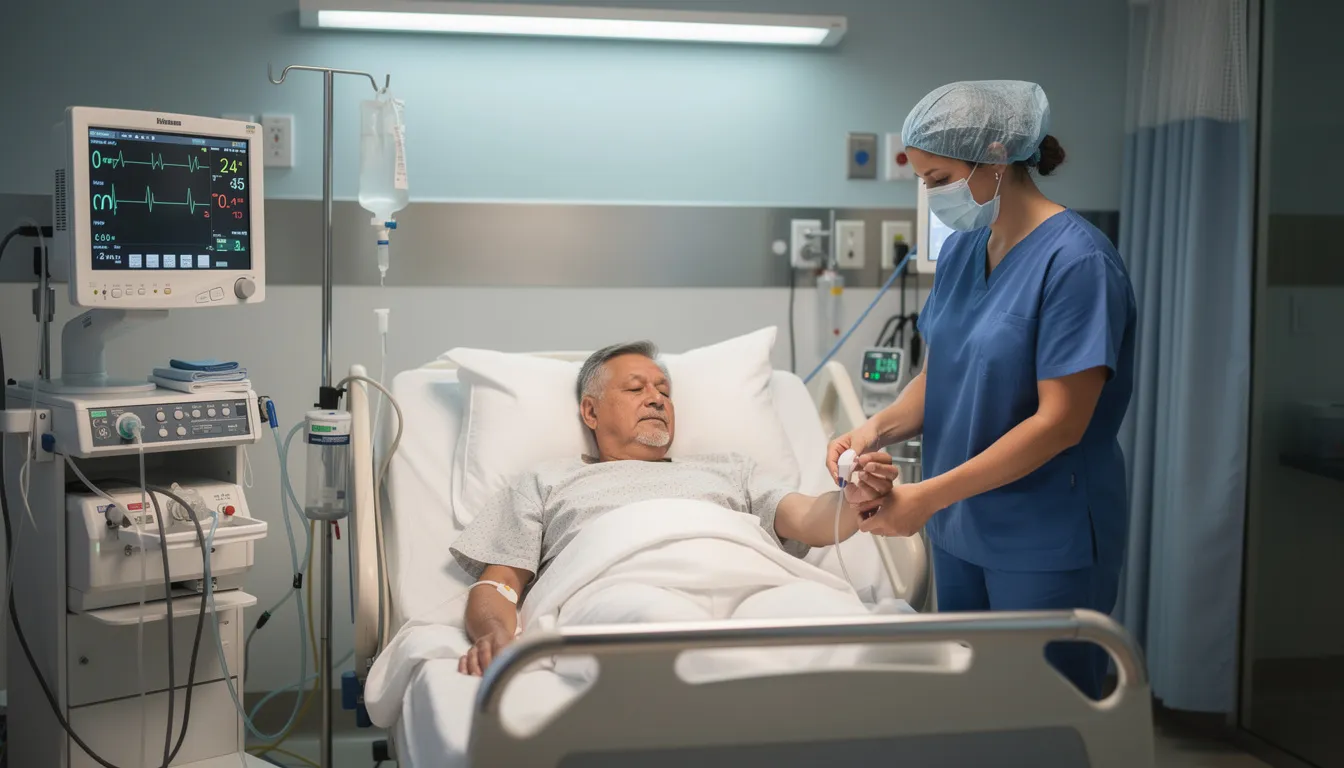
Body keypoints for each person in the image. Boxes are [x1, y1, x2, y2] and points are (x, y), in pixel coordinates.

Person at [827, 81, 1137, 699]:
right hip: (959, 526)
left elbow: (1060, 423)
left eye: (939, 178)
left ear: (996, 158)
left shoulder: (1078, 264)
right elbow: (940, 376)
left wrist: (926, 497)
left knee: (1043, 714)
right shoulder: (965, 250)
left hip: (1043, 536)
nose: (930, 193)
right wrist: (874, 429)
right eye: (923, 179)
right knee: (974, 708)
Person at [453, 341, 899, 676]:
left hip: (754, 580)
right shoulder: (545, 480)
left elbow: (807, 518)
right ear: (590, 412)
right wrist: (496, 633)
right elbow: (500, 584)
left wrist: (853, 498)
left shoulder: (730, 468)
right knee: (658, 637)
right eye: (635, 388)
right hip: (622, 584)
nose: (656, 399)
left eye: (664, 391)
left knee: (828, 621)